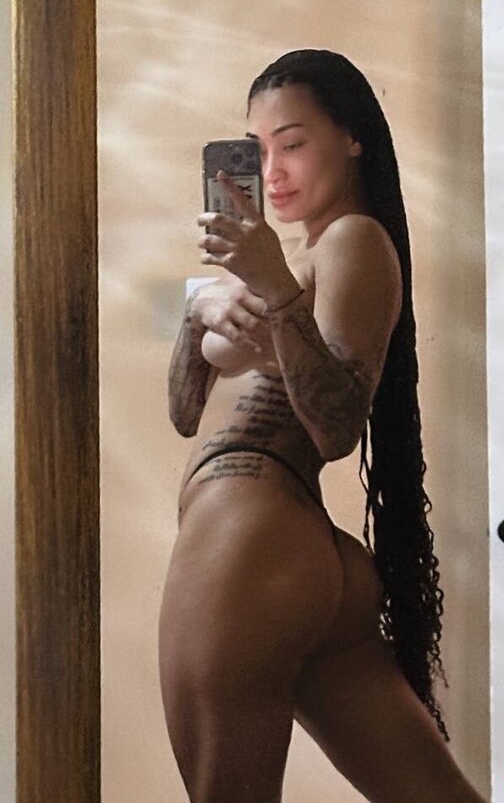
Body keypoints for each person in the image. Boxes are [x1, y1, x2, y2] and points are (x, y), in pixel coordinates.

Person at [160, 49, 485, 803]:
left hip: (251, 542)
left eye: (294, 143)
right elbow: (184, 413)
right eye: (258, 149)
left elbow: (336, 427)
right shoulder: (294, 258)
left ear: (352, 138)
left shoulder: (351, 240)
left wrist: (273, 285)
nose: (272, 171)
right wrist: (199, 310)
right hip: (297, 553)